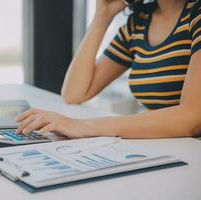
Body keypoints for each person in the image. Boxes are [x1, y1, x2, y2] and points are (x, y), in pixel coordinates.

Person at [16, 0, 201, 139]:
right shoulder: (139, 23)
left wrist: (84, 127)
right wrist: (102, 17)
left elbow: (192, 117)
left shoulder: (196, 15)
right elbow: (75, 93)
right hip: (166, 147)